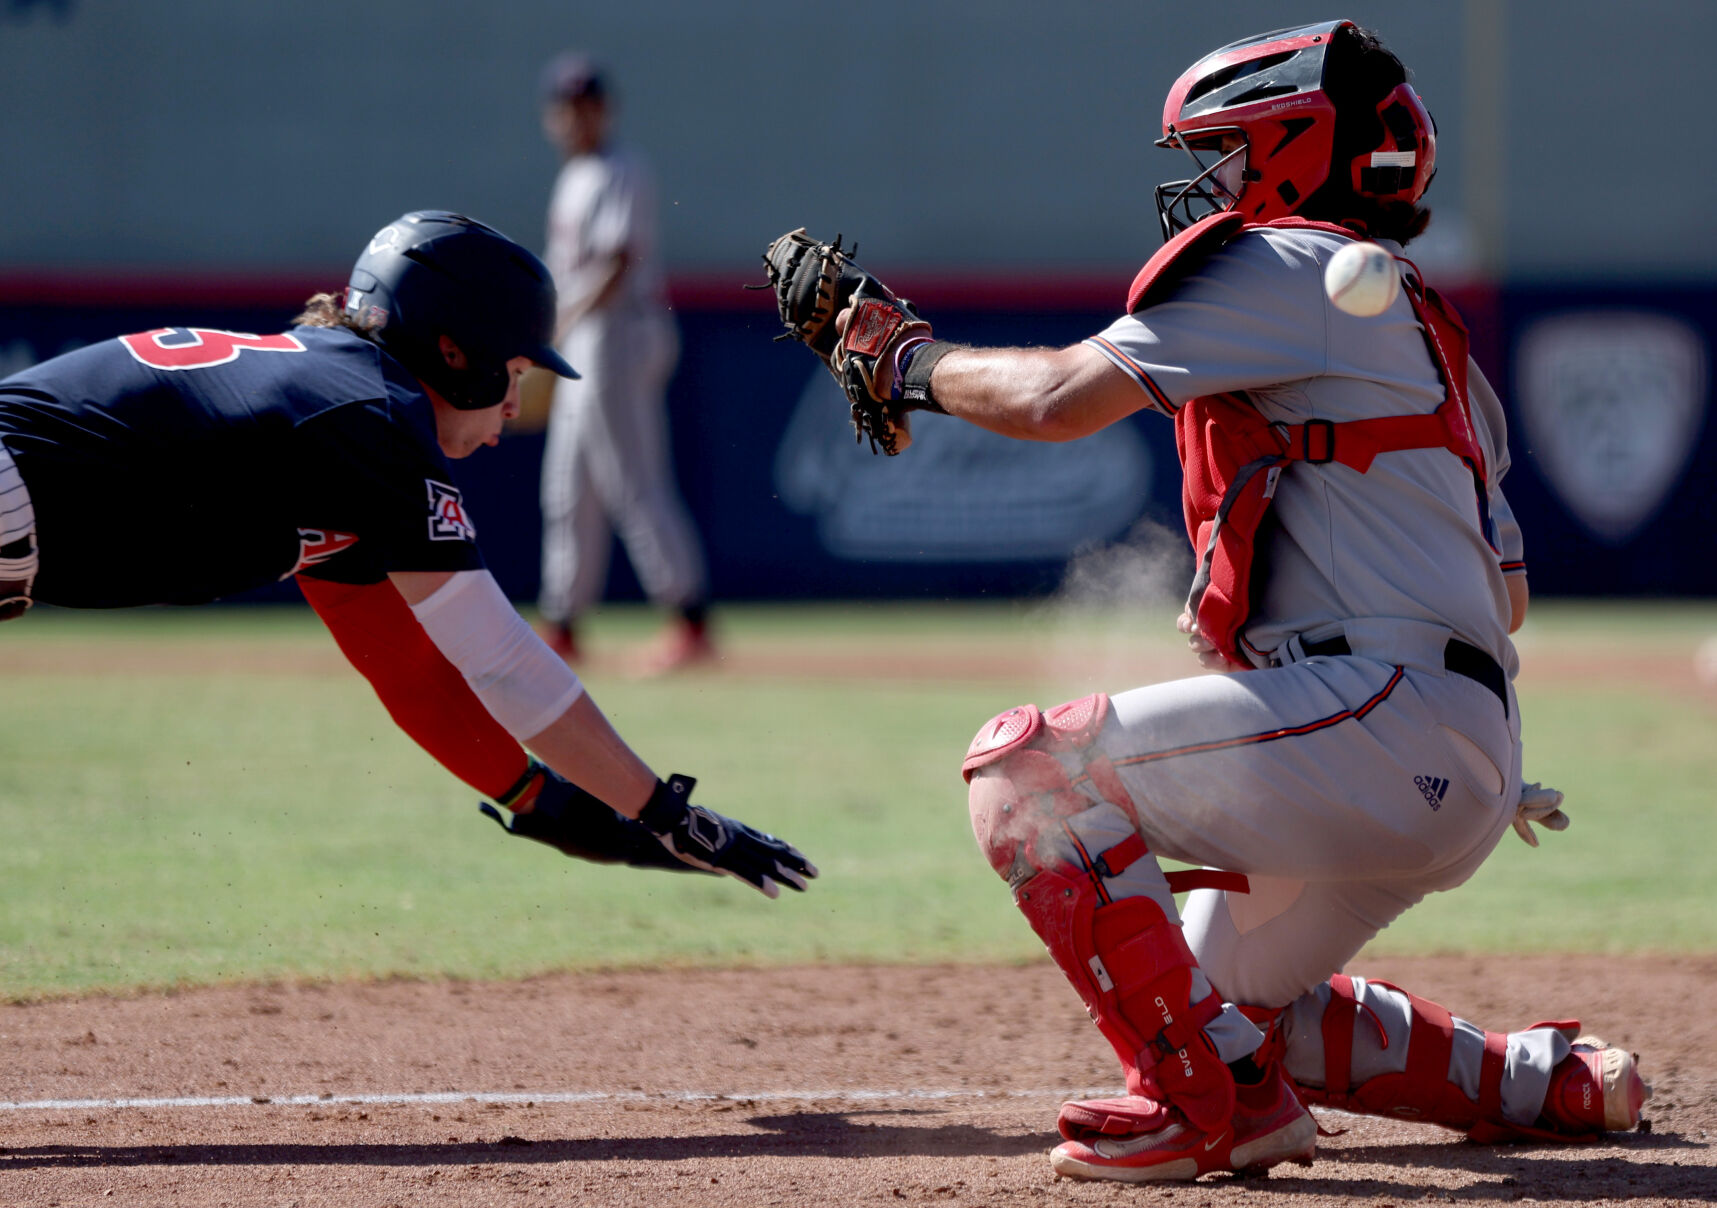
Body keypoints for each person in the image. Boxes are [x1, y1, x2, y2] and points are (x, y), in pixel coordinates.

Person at [831, 21, 1645, 1183]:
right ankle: (1531, 1077)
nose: (1202, 187)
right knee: (1220, 1007)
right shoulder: (1432, 337)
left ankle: (1208, 1110)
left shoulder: (1286, 264)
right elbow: (1503, 600)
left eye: (1222, 157)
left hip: (1380, 714)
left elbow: (1058, 396)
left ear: (1284, 152)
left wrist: (901, 356)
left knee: (1028, 772)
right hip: (1448, 741)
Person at [0, 209, 813, 900]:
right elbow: (499, 660)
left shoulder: (335, 431)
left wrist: (541, 802)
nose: (512, 405)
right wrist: (667, 812)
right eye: (517, 370)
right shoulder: (370, 416)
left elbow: (414, 674)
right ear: (455, 351)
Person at [534, 53, 713, 673]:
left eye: (585, 103)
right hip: (583, 337)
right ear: (552, 116)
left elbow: (614, 265)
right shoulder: (574, 176)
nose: (574, 116)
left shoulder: (622, 168)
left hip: (617, 333)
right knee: (568, 486)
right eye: (564, 105)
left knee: (633, 481)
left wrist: (551, 329)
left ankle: (689, 620)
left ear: (604, 109)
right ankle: (561, 624)